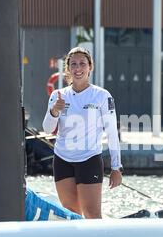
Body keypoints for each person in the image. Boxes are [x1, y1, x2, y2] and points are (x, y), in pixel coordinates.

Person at [42, 46, 122, 219]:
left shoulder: (101, 96)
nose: (78, 68)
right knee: (71, 215)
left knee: (92, 215)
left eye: (82, 64)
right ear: (68, 69)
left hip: (89, 159)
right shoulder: (58, 95)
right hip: (62, 160)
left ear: (90, 67)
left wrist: (116, 167)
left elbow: (112, 133)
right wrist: (54, 112)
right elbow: (47, 129)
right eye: (73, 64)